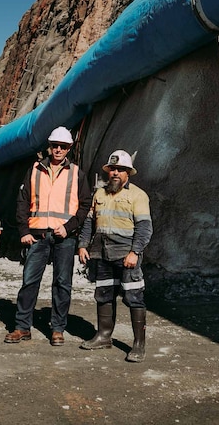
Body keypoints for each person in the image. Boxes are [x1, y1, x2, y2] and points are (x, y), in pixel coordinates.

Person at [4, 126, 92, 346]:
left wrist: (69, 227)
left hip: (64, 238)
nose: (58, 150)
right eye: (55, 146)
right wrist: (23, 231)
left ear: (69, 148)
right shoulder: (34, 170)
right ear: (49, 146)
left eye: (63, 146)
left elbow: (85, 205)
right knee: (29, 282)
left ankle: (57, 329)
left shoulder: (76, 173)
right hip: (37, 236)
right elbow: (23, 201)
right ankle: (22, 327)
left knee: (62, 284)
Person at [78, 149, 153, 362]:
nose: (116, 173)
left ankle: (138, 345)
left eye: (121, 170)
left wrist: (135, 252)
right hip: (101, 253)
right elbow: (89, 223)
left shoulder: (137, 195)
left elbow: (145, 228)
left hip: (126, 254)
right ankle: (104, 336)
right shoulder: (100, 194)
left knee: (133, 297)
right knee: (103, 294)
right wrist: (83, 245)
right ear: (108, 171)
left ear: (128, 173)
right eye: (113, 169)